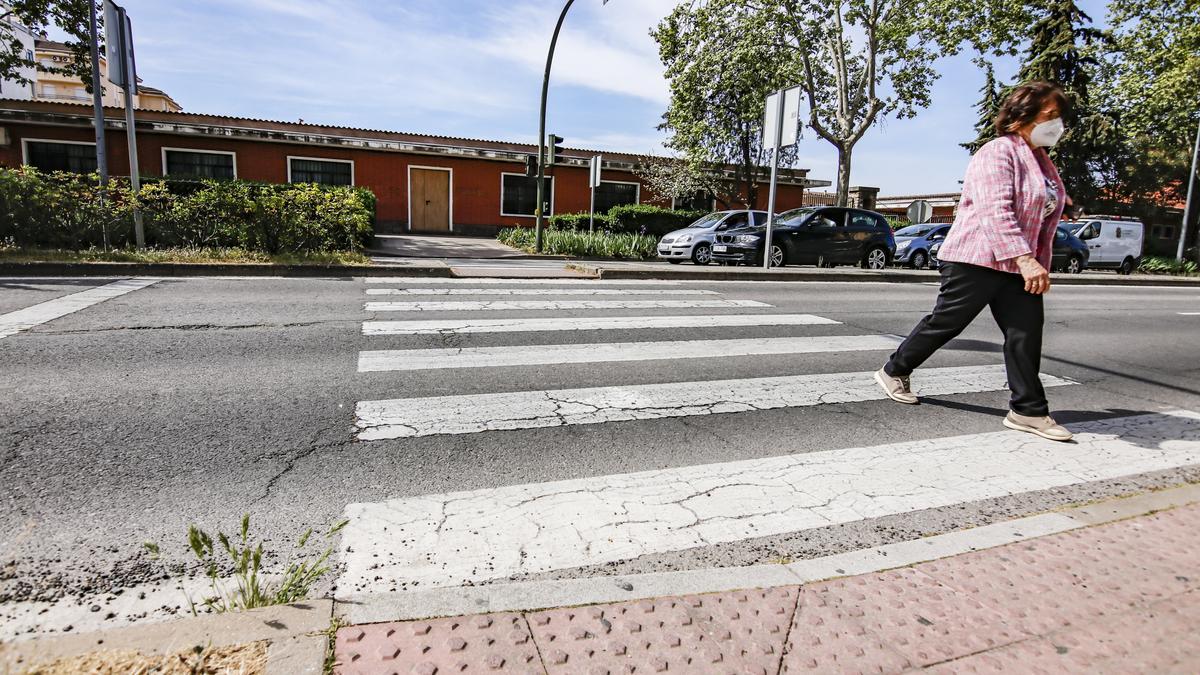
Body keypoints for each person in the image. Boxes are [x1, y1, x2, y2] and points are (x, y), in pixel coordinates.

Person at [874, 81, 1073, 442]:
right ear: (1022, 116)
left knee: (1025, 334)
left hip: (1017, 263)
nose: (1057, 124)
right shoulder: (998, 152)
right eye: (1050, 115)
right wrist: (1026, 260)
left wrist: (1033, 261)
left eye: (1059, 117)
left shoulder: (1042, 162)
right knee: (947, 323)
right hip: (976, 258)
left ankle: (1027, 410)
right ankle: (894, 370)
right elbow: (995, 211)